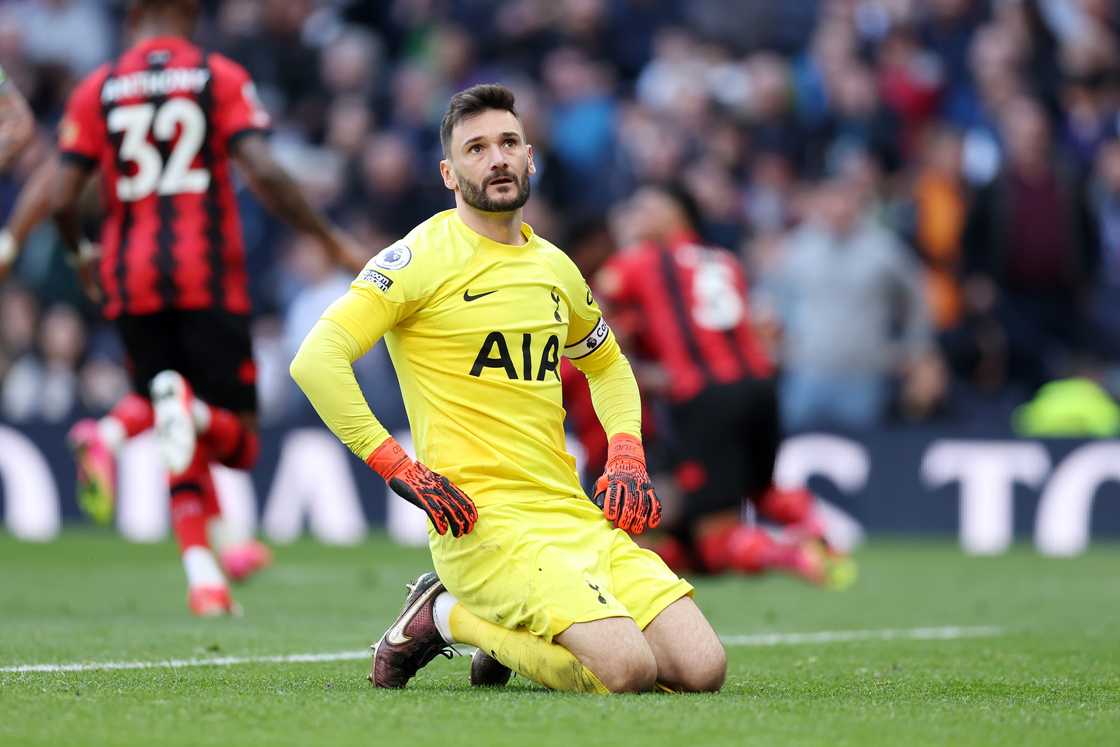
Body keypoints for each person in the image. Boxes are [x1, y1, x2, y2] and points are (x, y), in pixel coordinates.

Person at [291, 83, 726, 694]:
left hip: (569, 513)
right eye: (476, 148)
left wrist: (625, 449)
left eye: (508, 143)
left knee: (703, 670)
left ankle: (510, 630)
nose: (496, 158)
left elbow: (608, 365)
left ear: (530, 158)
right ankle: (446, 615)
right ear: (449, 172)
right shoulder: (418, 258)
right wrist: (393, 463)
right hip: (482, 525)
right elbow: (316, 359)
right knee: (627, 671)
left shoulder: (555, 267)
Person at [1, 0, 364, 616]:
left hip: (129, 278)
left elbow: (61, 189)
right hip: (207, 278)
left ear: (134, 13)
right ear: (191, 11)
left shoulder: (101, 87)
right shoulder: (216, 75)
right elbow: (266, 169)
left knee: (169, 416)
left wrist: (78, 253)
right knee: (238, 444)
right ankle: (150, 434)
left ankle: (206, 574)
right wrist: (328, 240)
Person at [594, 184, 854, 586]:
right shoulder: (724, 260)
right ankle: (823, 534)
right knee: (762, 488)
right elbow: (762, 326)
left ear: (675, 214)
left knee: (713, 539)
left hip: (705, 398)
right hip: (760, 388)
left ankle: (793, 554)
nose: (635, 215)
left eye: (645, 208)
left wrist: (641, 365)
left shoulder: (638, 260)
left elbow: (592, 315)